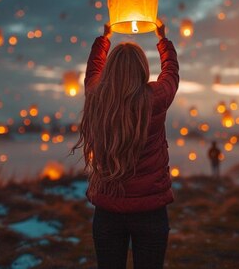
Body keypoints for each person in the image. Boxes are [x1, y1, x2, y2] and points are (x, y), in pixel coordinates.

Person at [72, 20, 179, 269]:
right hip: (150, 210)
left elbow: (92, 70)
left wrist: (104, 38)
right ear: (142, 69)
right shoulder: (155, 99)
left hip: (108, 209)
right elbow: (171, 73)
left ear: (111, 70)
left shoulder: (98, 98)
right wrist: (162, 40)